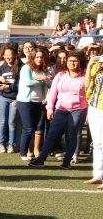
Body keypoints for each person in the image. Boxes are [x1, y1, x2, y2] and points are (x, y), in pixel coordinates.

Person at [29, 51, 88, 169]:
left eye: (75, 61)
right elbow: (52, 93)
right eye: (70, 61)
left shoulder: (85, 76)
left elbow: (88, 94)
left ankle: (67, 162)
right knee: (52, 134)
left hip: (78, 110)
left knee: (71, 135)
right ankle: (40, 159)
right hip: (61, 109)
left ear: (80, 62)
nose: (72, 63)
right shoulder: (61, 75)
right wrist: (49, 109)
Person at [16, 47, 50, 161]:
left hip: (39, 102)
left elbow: (49, 82)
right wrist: (41, 78)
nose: (39, 59)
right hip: (26, 102)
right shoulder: (26, 68)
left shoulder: (44, 70)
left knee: (37, 129)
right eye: (37, 57)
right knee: (28, 128)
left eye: (41, 57)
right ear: (32, 58)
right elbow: (27, 82)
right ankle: (22, 153)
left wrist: (44, 79)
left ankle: (32, 151)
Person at [0, 45, 22, 153]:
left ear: (15, 55)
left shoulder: (20, 67)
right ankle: (1, 144)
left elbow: (21, 84)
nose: (7, 57)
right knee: (2, 122)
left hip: (15, 98)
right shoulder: (2, 67)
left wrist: (9, 87)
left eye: (9, 55)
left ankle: (11, 144)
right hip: (3, 97)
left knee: (12, 122)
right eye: (5, 55)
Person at [83, 54, 103, 188]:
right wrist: (90, 65)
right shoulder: (97, 64)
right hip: (95, 106)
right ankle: (97, 175)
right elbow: (87, 85)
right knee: (97, 143)